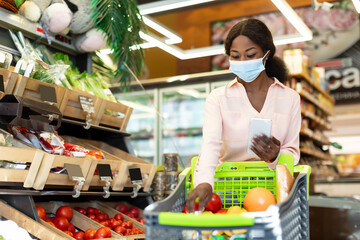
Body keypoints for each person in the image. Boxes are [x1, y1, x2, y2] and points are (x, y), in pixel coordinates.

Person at [186, 18, 301, 212]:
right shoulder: (218, 98)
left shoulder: (289, 98)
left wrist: (275, 157)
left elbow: (292, 151)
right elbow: (210, 146)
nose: (242, 62)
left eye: (250, 55)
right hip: (227, 189)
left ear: (266, 54)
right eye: (235, 56)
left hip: (272, 190)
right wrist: (204, 182)